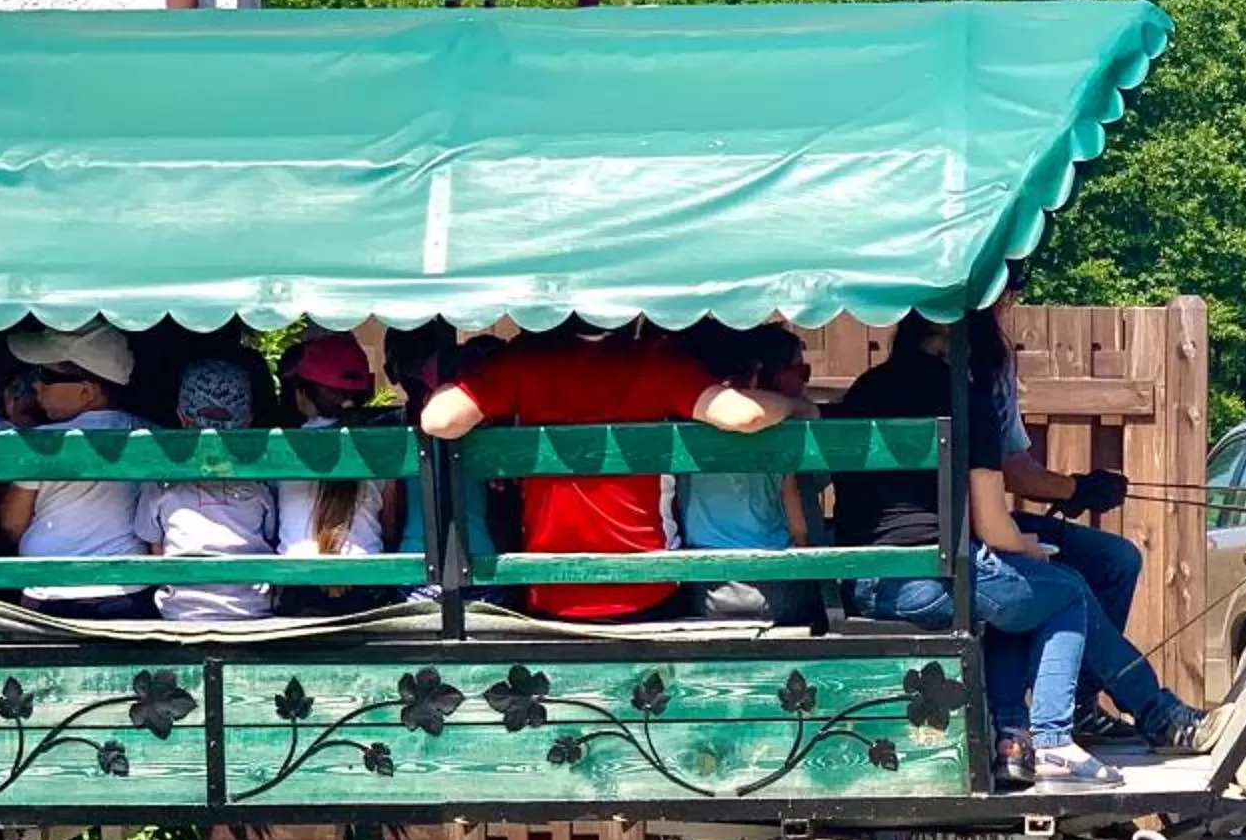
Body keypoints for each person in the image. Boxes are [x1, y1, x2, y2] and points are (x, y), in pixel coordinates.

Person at [832, 313, 1113, 789]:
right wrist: (1026, 546)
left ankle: (1010, 739)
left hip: (861, 582)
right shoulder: (965, 400)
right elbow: (991, 523)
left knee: (1009, 597)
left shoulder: (865, 390)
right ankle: (1053, 741)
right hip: (930, 578)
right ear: (955, 346)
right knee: (1062, 591)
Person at [414, 321, 808, 622]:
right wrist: (792, 405)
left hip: (551, 591)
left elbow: (439, 420)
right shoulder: (657, 363)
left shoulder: (525, 361)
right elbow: (743, 414)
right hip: (648, 588)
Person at [981, 277, 1208, 754]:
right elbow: (1012, 473)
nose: (1012, 304)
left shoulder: (960, 374)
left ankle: (1083, 701)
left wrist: (1075, 488)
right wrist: (1079, 488)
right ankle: (1154, 711)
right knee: (1071, 584)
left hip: (967, 530)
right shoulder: (978, 377)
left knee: (1116, 559)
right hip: (971, 537)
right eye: (1012, 292)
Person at [0, 322, 153, 621]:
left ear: (87, 391)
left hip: (49, 593)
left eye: (46, 376)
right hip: (129, 592)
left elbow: (12, 524)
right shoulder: (152, 436)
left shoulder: (40, 443)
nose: (35, 386)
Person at [674, 323, 818, 626]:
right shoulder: (780, 433)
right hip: (771, 584)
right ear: (759, 372)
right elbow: (798, 525)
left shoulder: (685, 428)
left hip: (705, 586)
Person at [136, 356, 276, 622]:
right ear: (247, 422)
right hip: (251, 611)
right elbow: (270, 534)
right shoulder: (262, 477)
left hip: (180, 613)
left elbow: (155, 547)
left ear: (181, 417)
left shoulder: (160, 478)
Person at [274, 333, 399, 609]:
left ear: (303, 394)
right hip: (366, 589)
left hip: (299, 588)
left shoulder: (281, 447)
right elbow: (390, 529)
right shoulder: (380, 449)